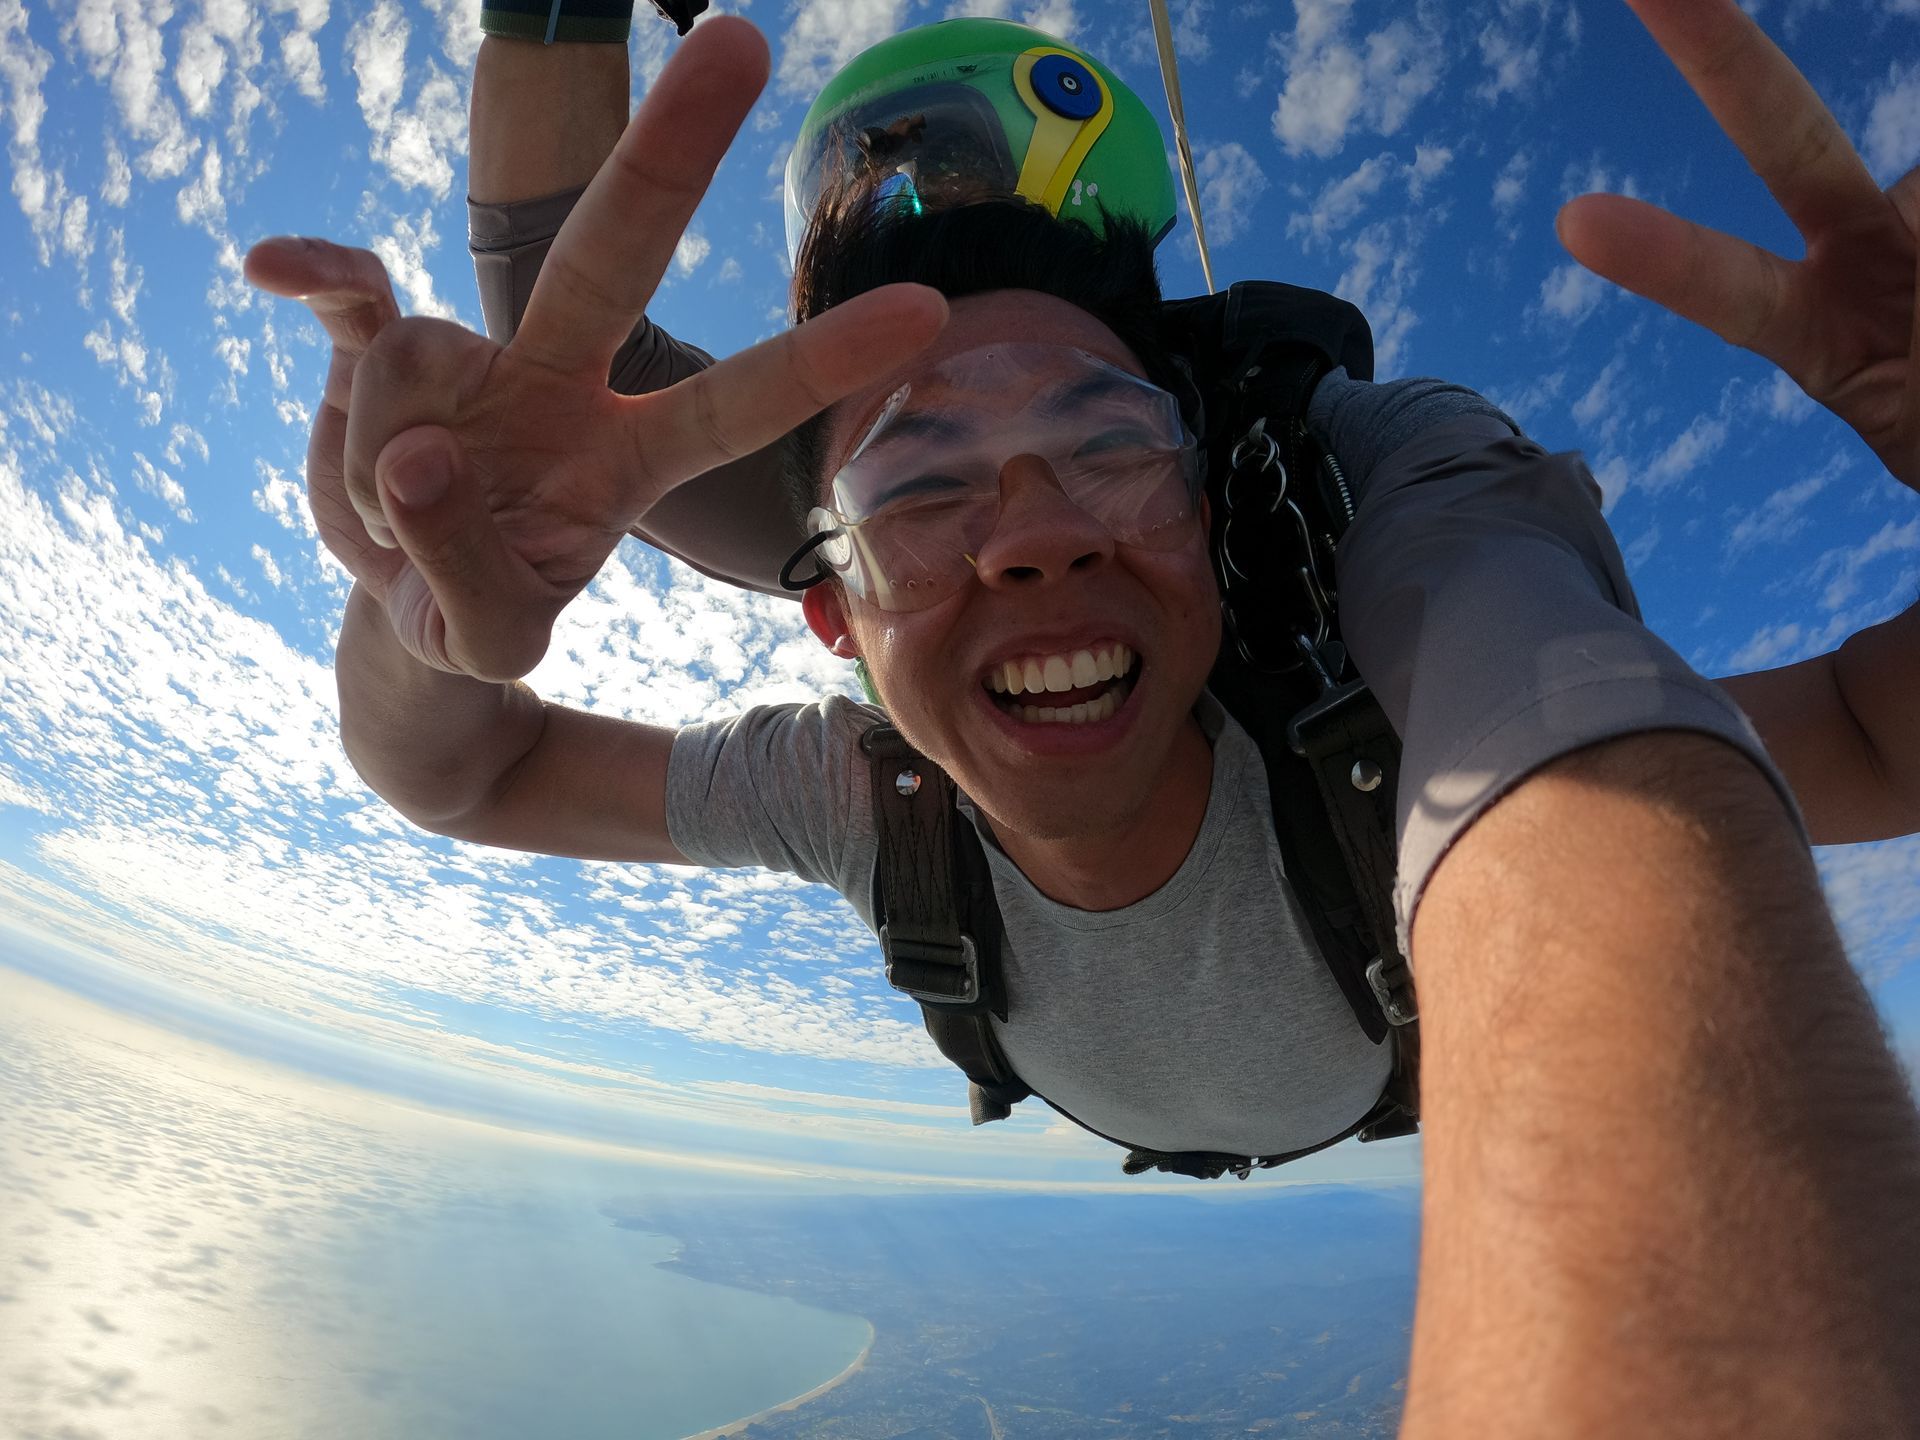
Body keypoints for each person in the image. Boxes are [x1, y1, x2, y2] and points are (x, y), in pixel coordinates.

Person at [244, 1, 1920, 1432]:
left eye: (1110, 443)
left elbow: (1555, 689)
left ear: (1207, 503)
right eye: (918, 485)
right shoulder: (856, 789)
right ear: (826, 609)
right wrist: (432, 634)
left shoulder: (1381, 597)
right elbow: (468, 764)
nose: (1035, 529)